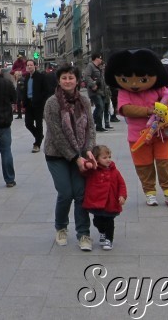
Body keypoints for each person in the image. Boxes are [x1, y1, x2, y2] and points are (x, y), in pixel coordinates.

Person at [105, 48, 168, 207]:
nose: (134, 84)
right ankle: (150, 192)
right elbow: (124, 109)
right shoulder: (124, 92)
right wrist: (149, 110)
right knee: (144, 166)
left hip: (160, 134)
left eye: (142, 79)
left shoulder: (159, 88)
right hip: (138, 136)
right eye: (128, 79)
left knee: (164, 162)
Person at [42, 64, 97, 251]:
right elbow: (57, 134)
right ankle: (61, 227)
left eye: (71, 78)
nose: (67, 81)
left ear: (77, 80)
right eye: (64, 78)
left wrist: (89, 149)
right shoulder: (52, 103)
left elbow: (91, 127)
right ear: (59, 80)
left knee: (81, 193)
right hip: (57, 154)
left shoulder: (84, 101)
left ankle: (83, 233)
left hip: (80, 153)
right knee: (66, 192)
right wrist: (75, 158)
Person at [82, 144, 127, 251]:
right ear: (96, 159)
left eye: (109, 157)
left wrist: (122, 195)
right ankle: (102, 232)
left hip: (110, 202)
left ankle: (108, 239)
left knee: (109, 221)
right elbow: (84, 171)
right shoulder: (93, 171)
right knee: (97, 221)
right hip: (96, 202)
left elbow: (122, 184)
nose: (108, 160)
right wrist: (89, 163)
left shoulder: (114, 171)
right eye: (104, 158)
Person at [25, 59, 49, 152]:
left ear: (35, 66)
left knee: (39, 124)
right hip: (29, 103)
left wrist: (41, 100)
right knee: (28, 123)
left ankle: (37, 144)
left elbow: (45, 91)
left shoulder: (41, 76)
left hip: (38, 104)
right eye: (28, 65)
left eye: (31, 65)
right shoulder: (26, 77)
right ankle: (39, 136)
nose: (29, 66)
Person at [85, 53, 108, 133]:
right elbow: (87, 76)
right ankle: (91, 123)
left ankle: (99, 126)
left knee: (101, 108)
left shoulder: (99, 68)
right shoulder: (90, 66)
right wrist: (93, 85)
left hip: (101, 91)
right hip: (94, 91)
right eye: (100, 58)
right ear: (96, 58)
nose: (101, 60)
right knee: (100, 106)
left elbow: (102, 79)